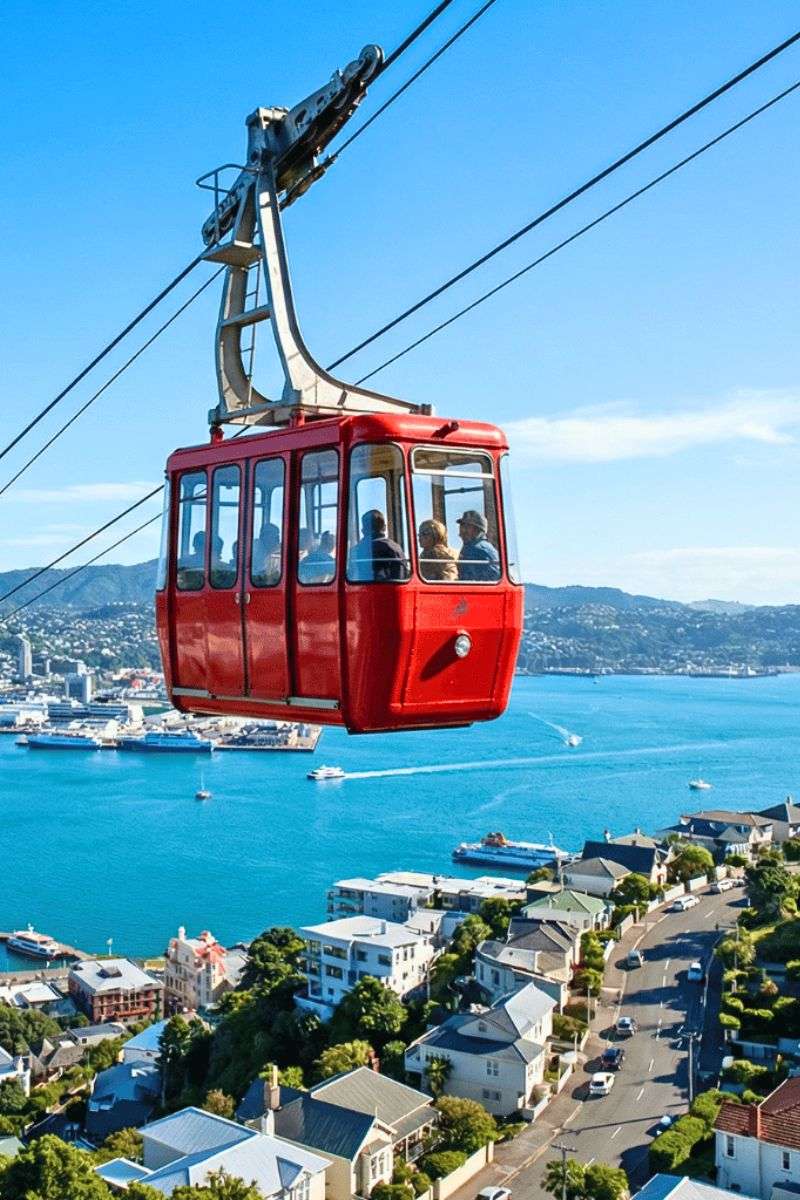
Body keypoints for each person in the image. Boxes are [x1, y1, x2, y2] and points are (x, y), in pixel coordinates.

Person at [349, 509, 406, 581]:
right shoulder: (395, 548)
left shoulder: (355, 551)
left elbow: (352, 576)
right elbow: (401, 577)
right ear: (384, 527)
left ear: (363, 530)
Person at [457, 509, 500, 582]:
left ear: (478, 530)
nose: (463, 530)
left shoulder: (476, 549)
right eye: (462, 526)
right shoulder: (472, 546)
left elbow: (495, 577)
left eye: (468, 527)